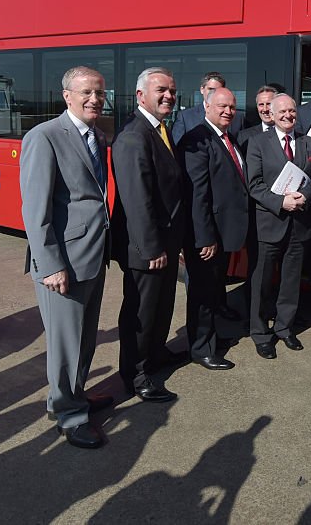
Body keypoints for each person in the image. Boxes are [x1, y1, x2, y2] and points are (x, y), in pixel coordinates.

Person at [20, 66, 112, 449]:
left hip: (92, 255)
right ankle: (70, 417)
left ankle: (69, 396)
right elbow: (34, 210)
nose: (94, 99)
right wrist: (51, 264)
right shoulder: (44, 137)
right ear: (67, 96)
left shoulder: (97, 136)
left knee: (84, 340)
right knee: (65, 344)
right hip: (64, 264)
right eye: (87, 92)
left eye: (100, 93)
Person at [111, 67, 185, 404]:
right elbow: (136, 200)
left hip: (164, 243)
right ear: (141, 95)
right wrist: (152, 247)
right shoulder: (133, 136)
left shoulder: (159, 130)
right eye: (161, 90)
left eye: (171, 90)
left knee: (161, 306)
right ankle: (136, 375)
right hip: (147, 247)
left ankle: (155, 354)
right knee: (141, 313)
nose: (169, 95)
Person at [177, 87, 249, 372]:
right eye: (221, 106)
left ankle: (209, 339)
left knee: (213, 291)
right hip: (207, 236)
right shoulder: (197, 140)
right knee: (203, 296)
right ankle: (201, 350)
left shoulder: (225, 138)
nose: (227, 111)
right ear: (205, 106)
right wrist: (204, 237)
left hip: (221, 233)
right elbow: (197, 194)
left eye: (232, 107)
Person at [246, 93, 311, 358]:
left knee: (291, 281)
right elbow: (254, 184)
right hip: (269, 223)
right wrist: (281, 202)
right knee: (262, 282)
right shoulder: (257, 143)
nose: (288, 115)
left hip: (300, 224)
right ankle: (259, 333)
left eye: (292, 111)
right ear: (272, 113)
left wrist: (306, 195)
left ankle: (284, 328)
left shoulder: (309, 143)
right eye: (282, 112)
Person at [172, 71, 243, 146]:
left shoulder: (237, 118)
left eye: (218, 90)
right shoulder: (186, 117)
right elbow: (176, 146)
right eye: (211, 89)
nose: (213, 93)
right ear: (202, 89)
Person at [237, 85, 279, 153]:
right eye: (261, 105)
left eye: (269, 104)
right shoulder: (244, 136)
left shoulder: (290, 133)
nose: (265, 109)